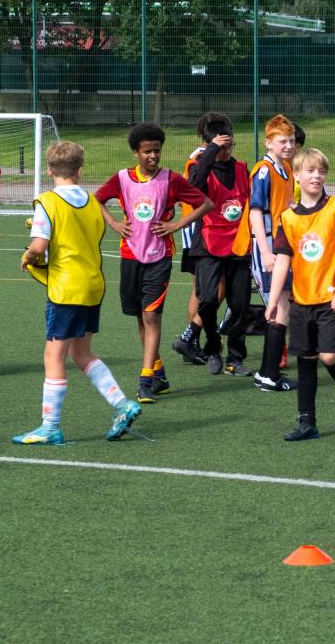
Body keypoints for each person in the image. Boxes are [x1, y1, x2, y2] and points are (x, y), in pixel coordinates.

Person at [13, 141, 143, 445]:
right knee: (82, 353)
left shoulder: (47, 202)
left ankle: (50, 426)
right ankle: (123, 404)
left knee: (53, 354)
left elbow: (39, 247)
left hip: (66, 288)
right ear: (80, 170)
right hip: (93, 284)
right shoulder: (90, 201)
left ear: (49, 170)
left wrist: (28, 256)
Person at [95, 123, 213, 404]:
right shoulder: (122, 178)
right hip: (129, 256)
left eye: (157, 151)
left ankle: (145, 379)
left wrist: (176, 224)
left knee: (151, 316)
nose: (153, 156)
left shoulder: (170, 179)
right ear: (136, 152)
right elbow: (97, 200)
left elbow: (205, 203)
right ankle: (158, 374)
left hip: (159, 258)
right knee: (140, 316)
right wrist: (113, 222)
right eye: (147, 151)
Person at [266, 148, 335, 440]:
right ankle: (307, 422)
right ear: (296, 175)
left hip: (332, 296)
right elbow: (282, 260)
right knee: (305, 360)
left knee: (329, 355)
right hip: (301, 300)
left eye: (321, 171)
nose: (316, 176)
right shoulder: (288, 217)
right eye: (310, 170)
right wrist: (272, 301)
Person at [186, 115, 253, 377]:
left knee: (240, 304)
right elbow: (193, 190)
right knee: (207, 302)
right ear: (207, 145)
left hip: (238, 246)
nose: (226, 151)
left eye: (228, 145)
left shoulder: (241, 169)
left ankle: (235, 358)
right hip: (208, 244)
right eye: (219, 146)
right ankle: (212, 348)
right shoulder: (198, 167)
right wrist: (210, 151)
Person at [173, 113, 229, 366]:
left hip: (209, 226)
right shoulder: (199, 157)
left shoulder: (206, 155)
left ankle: (192, 340)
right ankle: (191, 337)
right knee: (210, 288)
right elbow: (196, 187)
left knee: (206, 288)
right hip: (199, 227)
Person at [250, 115, 297, 391]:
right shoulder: (264, 171)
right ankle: (268, 374)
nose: (289, 145)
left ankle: (267, 373)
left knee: (283, 306)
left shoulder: (286, 168)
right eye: (283, 141)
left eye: (291, 141)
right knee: (277, 307)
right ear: (269, 142)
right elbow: (256, 212)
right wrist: (265, 252)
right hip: (268, 248)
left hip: (283, 247)